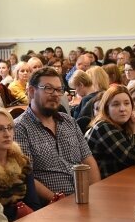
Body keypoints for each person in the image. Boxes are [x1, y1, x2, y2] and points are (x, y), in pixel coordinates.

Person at [14, 67, 101, 205]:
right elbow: (26, 177)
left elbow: (88, 160)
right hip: (50, 206)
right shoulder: (20, 128)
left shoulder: (69, 121)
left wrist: (96, 191)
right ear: (31, 91)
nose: (55, 94)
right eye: (48, 88)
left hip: (83, 198)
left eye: (59, 90)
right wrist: (59, 200)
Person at [84, 85, 135, 179]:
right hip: (105, 187)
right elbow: (134, 158)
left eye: (127, 103)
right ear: (107, 109)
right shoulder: (103, 127)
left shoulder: (125, 124)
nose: (122, 109)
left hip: (123, 182)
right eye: (116, 104)